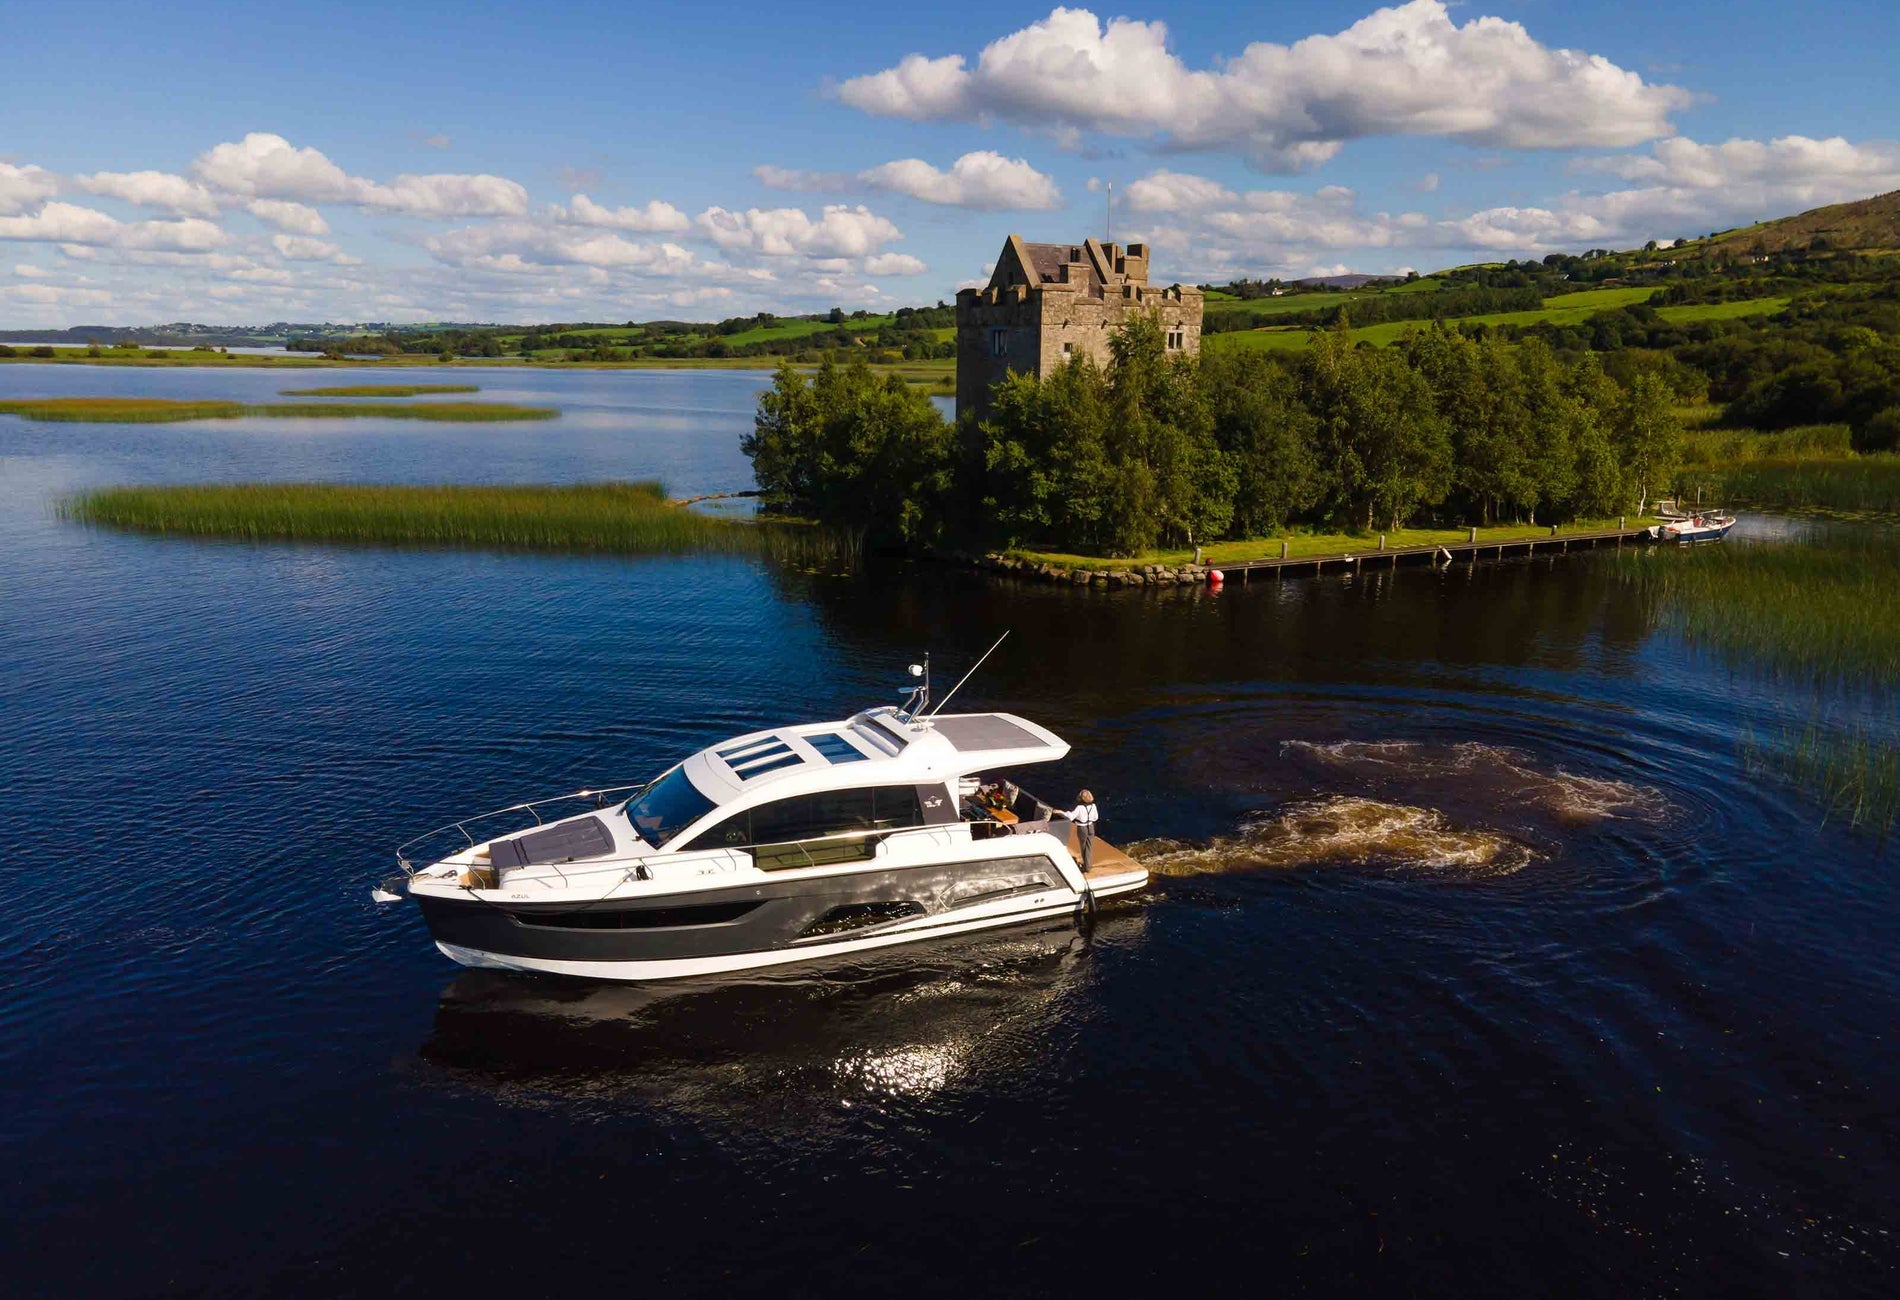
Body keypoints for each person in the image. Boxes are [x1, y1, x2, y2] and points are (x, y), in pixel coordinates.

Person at [1067, 789, 1099, 873]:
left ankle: (1086, 867)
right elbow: (1096, 817)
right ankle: (1088, 864)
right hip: (1091, 827)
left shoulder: (1079, 807)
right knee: (1089, 846)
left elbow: (1071, 817)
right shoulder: (1093, 806)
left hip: (1082, 828)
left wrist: (1061, 812)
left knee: (1083, 847)